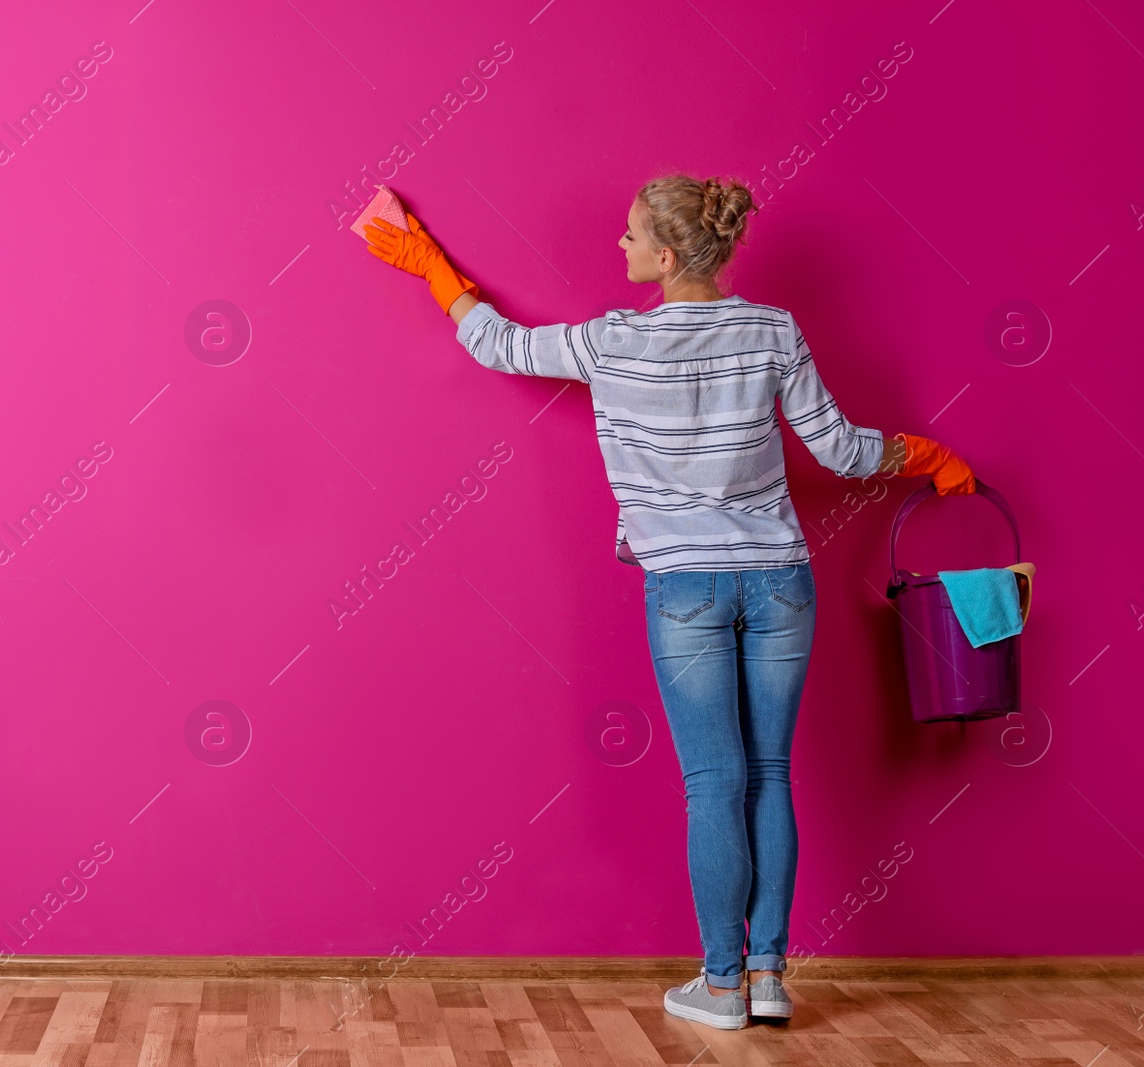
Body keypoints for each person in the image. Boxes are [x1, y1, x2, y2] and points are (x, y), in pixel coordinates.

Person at [364, 174, 974, 1030]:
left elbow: (497, 344)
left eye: (628, 236)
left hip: (684, 586)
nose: (618, 247)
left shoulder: (612, 343)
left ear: (666, 254)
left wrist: (427, 263)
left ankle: (721, 986)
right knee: (768, 774)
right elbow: (838, 451)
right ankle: (766, 977)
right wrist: (924, 453)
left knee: (715, 783)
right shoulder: (771, 331)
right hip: (779, 581)